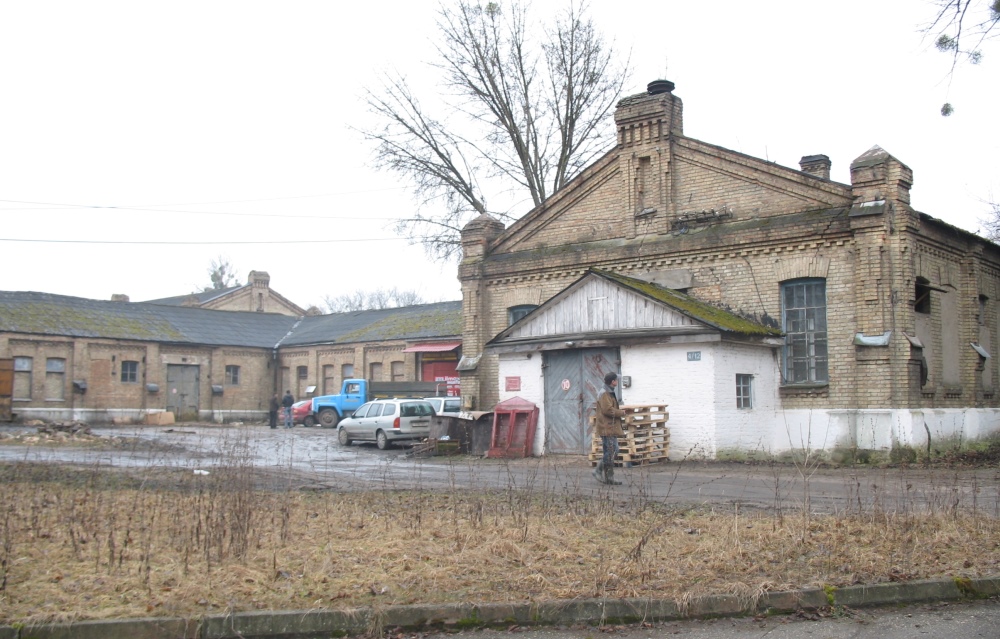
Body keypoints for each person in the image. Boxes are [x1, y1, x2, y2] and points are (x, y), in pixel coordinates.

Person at [593, 372, 626, 485]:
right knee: (613, 450)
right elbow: (607, 410)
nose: (617, 381)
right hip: (606, 427)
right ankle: (598, 470)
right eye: (616, 380)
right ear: (613, 382)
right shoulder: (605, 393)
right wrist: (621, 412)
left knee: (610, 451)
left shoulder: (608, 392)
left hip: (609, 426)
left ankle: (609, 478)